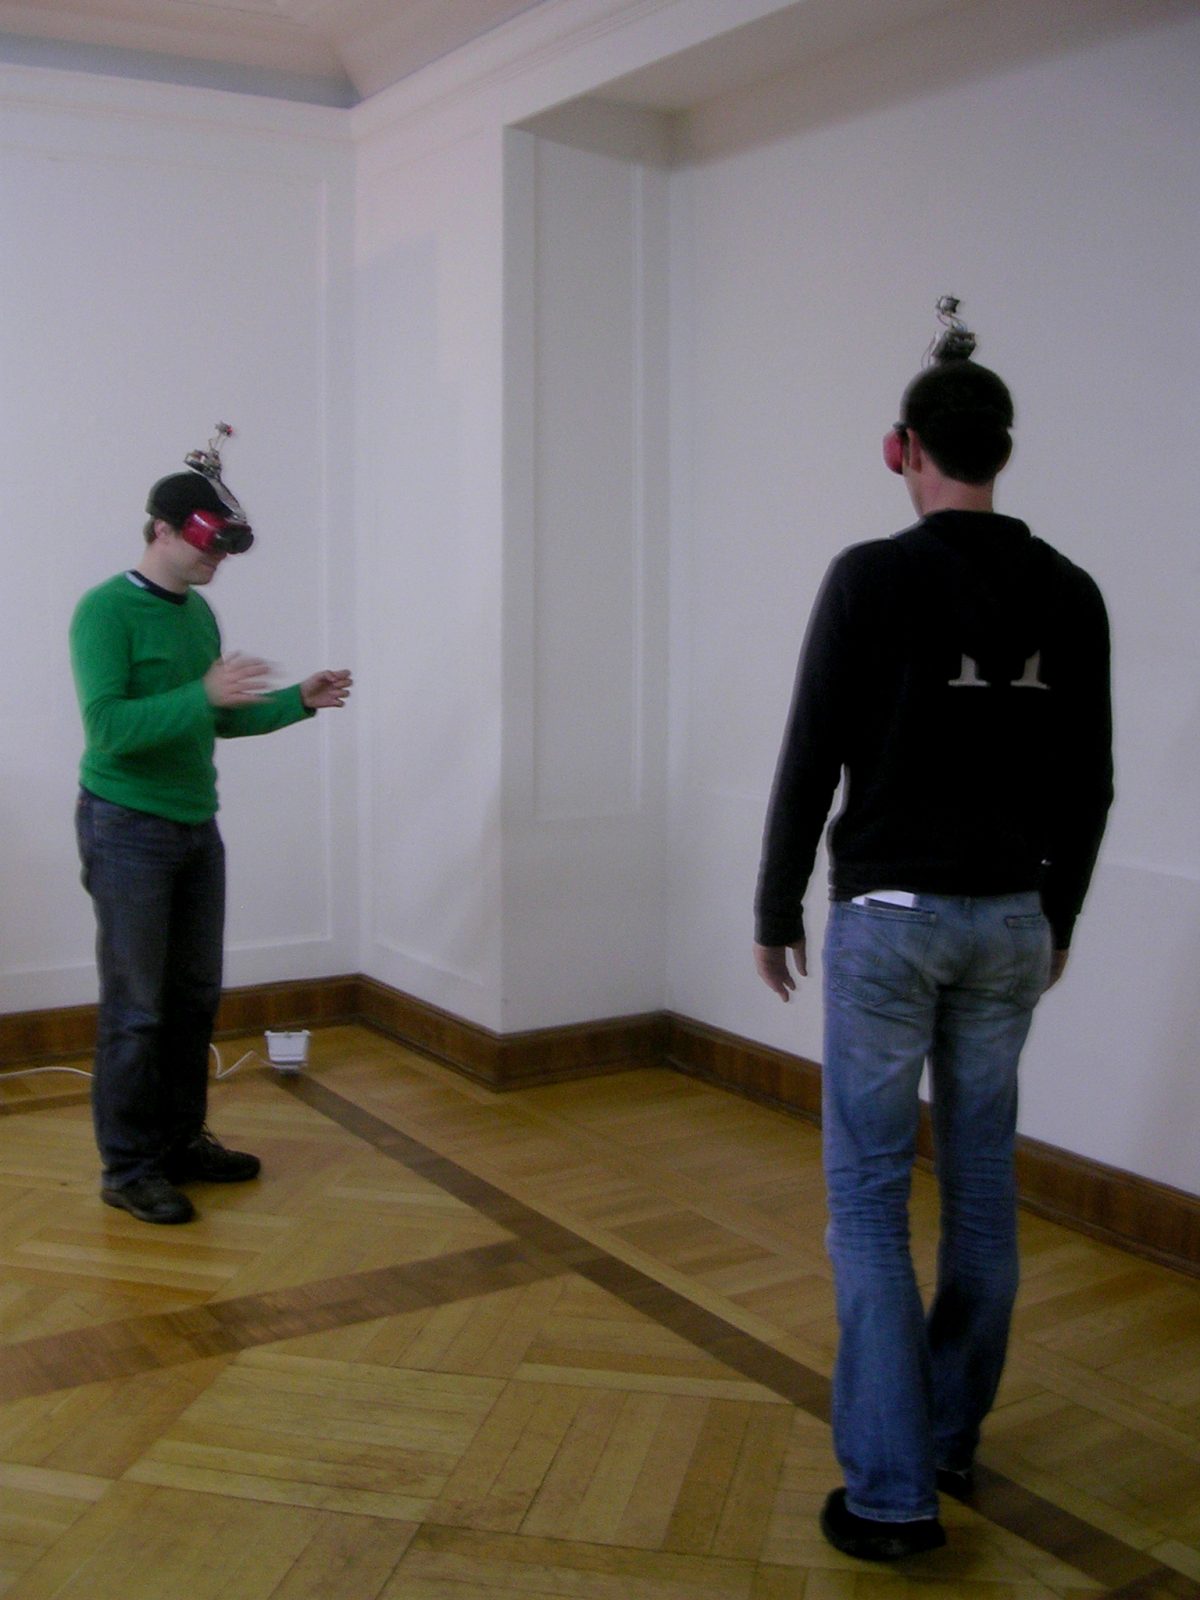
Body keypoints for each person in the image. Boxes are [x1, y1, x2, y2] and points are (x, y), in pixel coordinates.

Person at [753, 349, 1112, 1559]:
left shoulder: (871, 577)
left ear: (901, 450)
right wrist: (1058, 917)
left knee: (867, 1200)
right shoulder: (1070, 592)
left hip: (890, 919)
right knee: (983, 1188)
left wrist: (775, 907)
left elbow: (812, 752)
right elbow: (1091, 782)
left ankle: (892, 1493)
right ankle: (948, 1436)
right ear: (1002, 450)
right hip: (1010, 918)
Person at [70, 460, 352, 1226]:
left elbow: (217, 718)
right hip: (125, 827)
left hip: (195, 824)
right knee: (137, 1008)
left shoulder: (198, 615)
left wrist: (297, 701)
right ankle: (129, 1169)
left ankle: (179, 1143)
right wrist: (199, 694)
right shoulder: (104, 611)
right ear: (162, 529)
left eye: (227, 547)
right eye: (208, 543)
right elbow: (108, 729)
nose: (217, 560)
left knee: (194, 998)